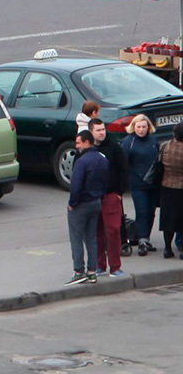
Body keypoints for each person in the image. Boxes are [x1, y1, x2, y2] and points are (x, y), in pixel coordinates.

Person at [65, 130, 109, 285]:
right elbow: (105, 181)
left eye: (78, 142)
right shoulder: (102, 159)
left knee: (76, 237)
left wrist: (72, 203)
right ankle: (92, 271)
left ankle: (78, 271)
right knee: (91, 237)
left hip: (81, 203)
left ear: (87, 142)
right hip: (96, 202)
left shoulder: (82, 162)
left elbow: (75, 186)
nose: (76, 146)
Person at [89, 118, 129, 277]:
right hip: (93, 197)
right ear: (91, 131)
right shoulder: (88, 149)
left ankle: (115, 267)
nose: (102, 133)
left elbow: (124, 169)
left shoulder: (114, 148)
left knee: (112, 229)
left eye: (103, 129)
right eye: (98, 130)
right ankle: (100, 265)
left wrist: (119, 192)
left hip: (111, 195)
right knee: (97, 231)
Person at [122, 114, 160, 256]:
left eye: (144, 127)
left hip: (153, 184)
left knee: (151, 212)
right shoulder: (129, 142)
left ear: (148, 127)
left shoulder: (153, 140)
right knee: (142, 211)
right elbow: (123, 163)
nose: (141, 130)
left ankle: (146, 239)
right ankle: (142, 240)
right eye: (138, 127)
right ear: (133, 127)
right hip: (137, 184)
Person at [159, 122, 183, 259]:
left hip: (167, 186)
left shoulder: (165, 146)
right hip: (181, 187)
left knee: (167, 219)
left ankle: (167, 249)